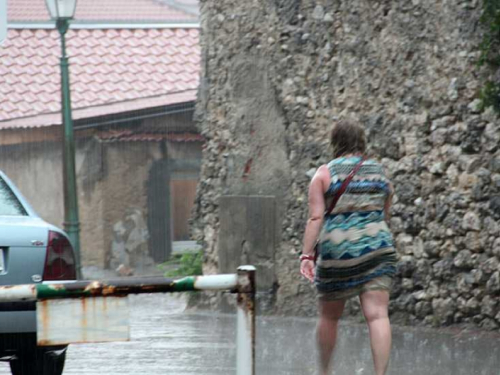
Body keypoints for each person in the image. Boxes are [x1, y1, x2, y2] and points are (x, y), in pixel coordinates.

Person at [299, 120, 398, 375]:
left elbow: (315, 218)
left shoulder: (324, 174)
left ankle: (325, 371)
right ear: (361, 141)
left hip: (338, 254)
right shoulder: (379, 172)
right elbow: (385, 211)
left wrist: (307, 255)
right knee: (377, 316)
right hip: (378, 250)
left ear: (335, 142)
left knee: (329, 317)